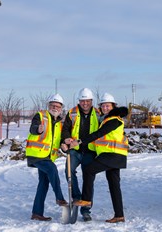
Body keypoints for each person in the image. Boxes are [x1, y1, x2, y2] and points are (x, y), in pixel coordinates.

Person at [69, 93, 129, 223]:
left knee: (89, 169)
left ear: (113, 106)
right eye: (103, 106)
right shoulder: (108, 119)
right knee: (114, 185)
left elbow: (98, 134)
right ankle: (119, 215)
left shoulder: (114, 120)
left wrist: (79, 142)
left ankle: (86, 199)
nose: (105, 108)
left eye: (108, 105)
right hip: (114, 156)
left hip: (112, 155)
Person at [26, 93, 68, 221]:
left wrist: (63, 145)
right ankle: (60, 198)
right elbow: (33, 128)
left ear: (61, 108)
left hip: (47, 156)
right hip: (37, 154)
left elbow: (58, 140)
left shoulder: (60, 123)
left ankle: (37, 213)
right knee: (52, 170)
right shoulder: (41, 116)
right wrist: (38, 129)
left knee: (43, 183)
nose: (55, 107)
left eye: (57, 106)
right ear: (49, 106)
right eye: (53, 105)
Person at [60, 87, 100, 221]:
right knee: (69, 171)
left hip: (90, 151)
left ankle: (86, 209)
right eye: (82, 101)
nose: (85, 103)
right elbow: (65, 129)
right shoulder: (72, 113)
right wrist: (65, 138)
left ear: (91, 101)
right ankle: (76, 197)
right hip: (75, 150)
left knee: (89, 179)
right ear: (79, 101)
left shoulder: (98, 113)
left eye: (87, 101)